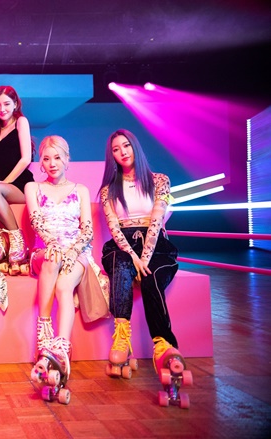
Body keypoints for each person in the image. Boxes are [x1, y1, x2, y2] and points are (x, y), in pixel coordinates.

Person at [26, 135, 105, 399]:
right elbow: (36, 221)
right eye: (46, 159)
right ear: (41, 162)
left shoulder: (81, 189)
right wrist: (53, 244)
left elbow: (87, 229)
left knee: (63, 286)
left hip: (77, 253)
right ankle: (44, 333)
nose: (52, 163)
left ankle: (60, 347)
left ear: (67, 159)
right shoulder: (33, 187)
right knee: (51, 257)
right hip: (45, 252)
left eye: (57, 157)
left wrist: (71, 252)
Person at [99, 129, 182, 379]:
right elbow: (114, 228)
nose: (122, 152)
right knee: (120, 262)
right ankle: (122, 337)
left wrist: (144, 258)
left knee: (151, 277)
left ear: (135, 146)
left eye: (126, 146)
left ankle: (163, 344)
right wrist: (133, 257)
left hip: (155, 245)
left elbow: (156, 220)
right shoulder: (108, 189)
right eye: (116, 149)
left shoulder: (160, 180)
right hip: (123, 246)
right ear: (112, 156)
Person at [0, 85, 34, 276]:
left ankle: (17, 240)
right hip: (0, 186)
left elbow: (26, 159)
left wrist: (3, 183)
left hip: (20, 184)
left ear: (15, 104)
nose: (2, 109)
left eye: (7, 104)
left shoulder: (21, 122)